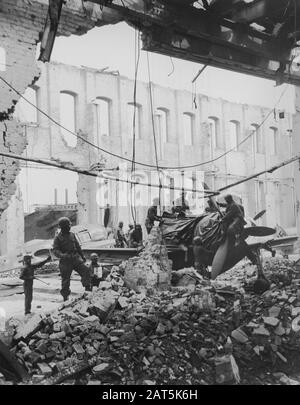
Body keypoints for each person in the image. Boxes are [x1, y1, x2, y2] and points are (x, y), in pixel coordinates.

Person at [53, 217, 91, 301]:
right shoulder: (57, 238)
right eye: (68, 225)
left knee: (86, 270)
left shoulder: (72, 234)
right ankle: (65, 297)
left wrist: (82, 256)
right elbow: (55, 250)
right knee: (65, 280)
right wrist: (62, 255)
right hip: (65, 261)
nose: (70, 226)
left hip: (75, 258)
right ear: (63, 227)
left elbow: (77, 246)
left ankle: (87, 289)